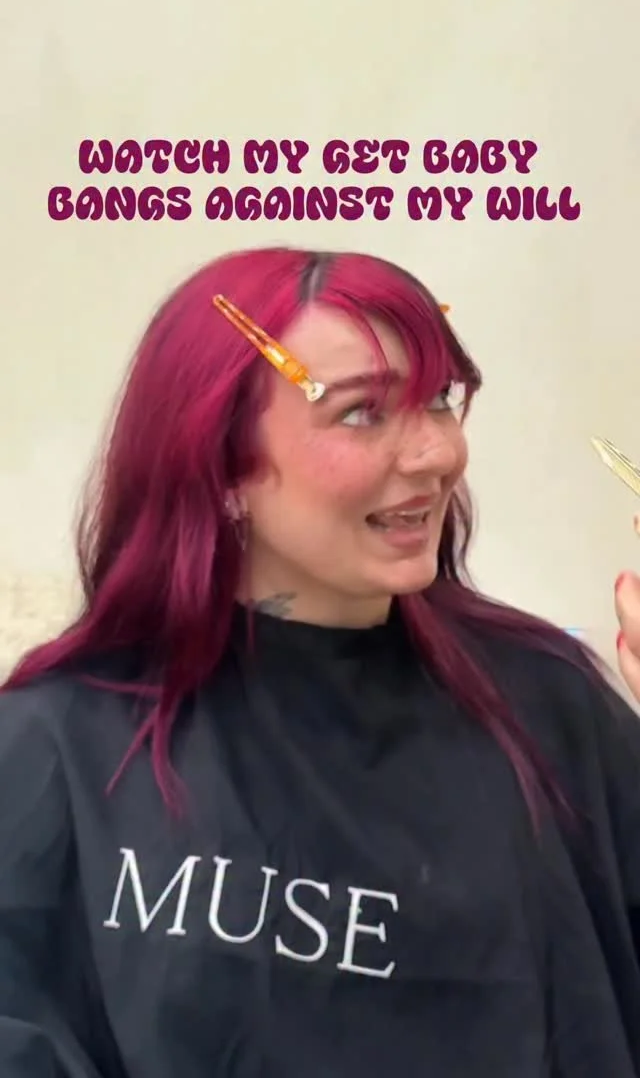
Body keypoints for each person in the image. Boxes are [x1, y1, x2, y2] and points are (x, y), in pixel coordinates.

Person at [1, 245, 640, 1078]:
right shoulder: (57, 745)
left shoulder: (548, 707)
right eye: (362, 412)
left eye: (439, 400)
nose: (435, 455)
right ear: (220, 463)